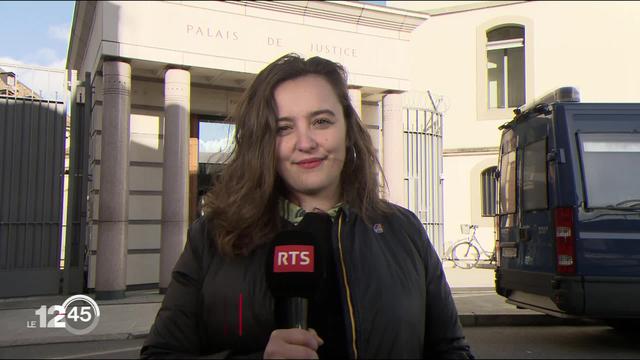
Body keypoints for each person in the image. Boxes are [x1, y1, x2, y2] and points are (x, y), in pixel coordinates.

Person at [140, 53, 474, 359]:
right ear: (263, 142)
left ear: (347, 130)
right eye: (284, 128)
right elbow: (160, 354)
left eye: (321, 121)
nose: (305, 143)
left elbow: (451, 349)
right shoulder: (211, 238)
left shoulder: (405, 231)